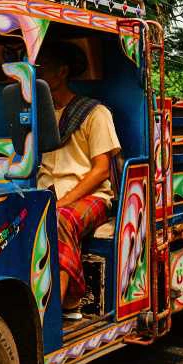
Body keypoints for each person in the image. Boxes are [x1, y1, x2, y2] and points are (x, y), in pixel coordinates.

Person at [35, 41, 121, 320]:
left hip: (91, 196)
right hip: (46, 193)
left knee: (59, 219)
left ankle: (58, 310)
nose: (37, 74)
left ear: (62, 72)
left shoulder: (95, 113)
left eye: (43, 68)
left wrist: (63, 201)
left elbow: (101, 170)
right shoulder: (38, 115)